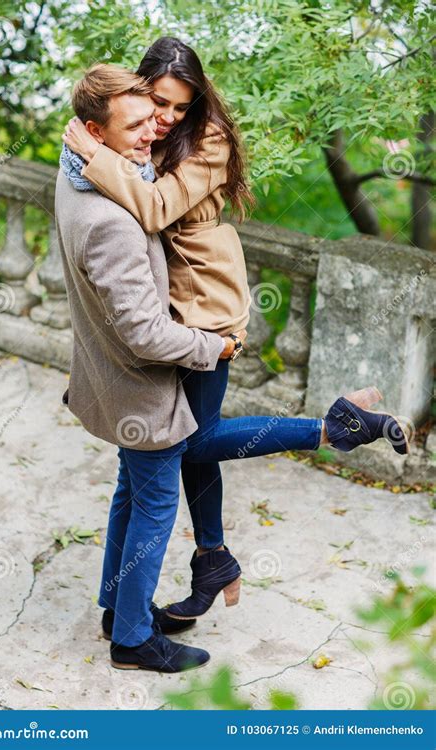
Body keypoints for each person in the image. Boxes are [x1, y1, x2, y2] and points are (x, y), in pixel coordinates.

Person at [60, 61, 410, 670]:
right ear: (117, 111)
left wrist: (94, 149)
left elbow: (152, 205)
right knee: (170, 468)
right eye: (149, 109)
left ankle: (148, 599)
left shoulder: (184, 147)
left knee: (176, 456)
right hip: (167, 341)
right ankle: (140, 623)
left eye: (173, 108)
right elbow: (139, 314)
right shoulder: (111, 179)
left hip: (207, 316)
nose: (161, 122)